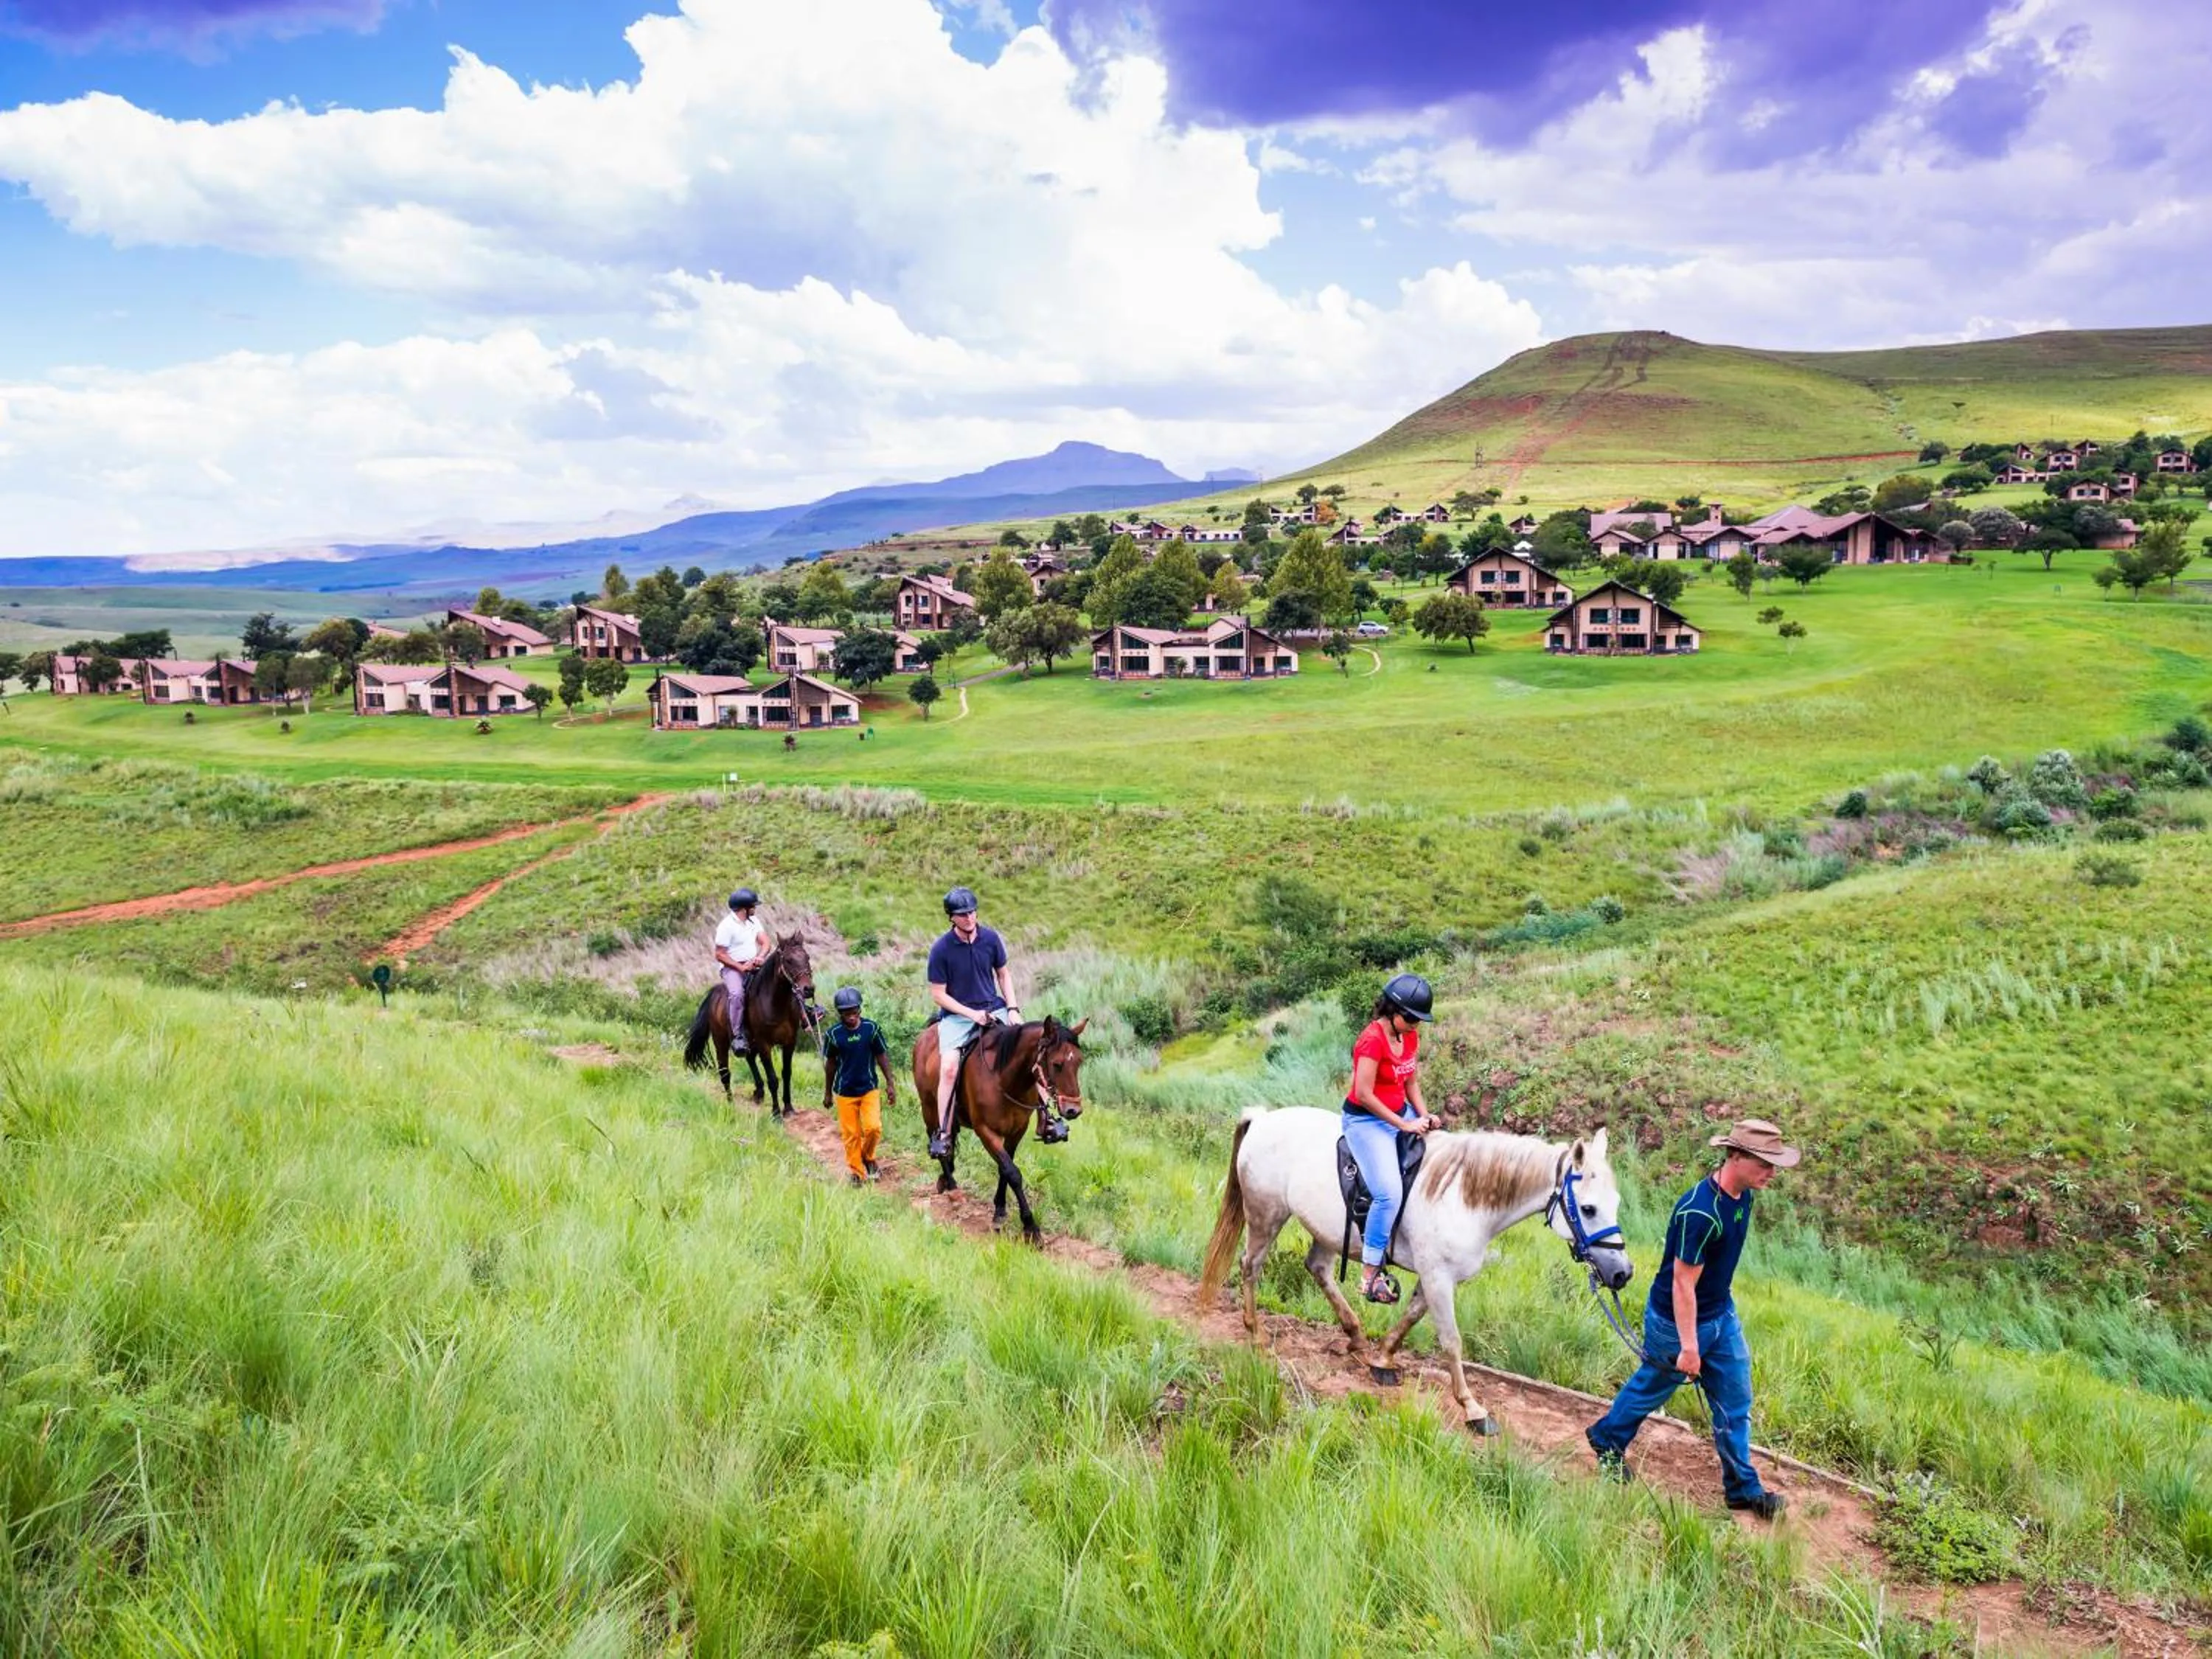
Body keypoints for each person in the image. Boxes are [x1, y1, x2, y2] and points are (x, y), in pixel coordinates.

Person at [1585, 1119, 1801, 1521]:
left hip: (1721, 1313)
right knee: (1653, 1386)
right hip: (1677, 1321)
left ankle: (1742, 1490)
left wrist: (1719, 1311)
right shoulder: (1699, 1212)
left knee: (1736, 1403)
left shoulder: (1744, 1196)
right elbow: (1683, 1285)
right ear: (1736, 1157)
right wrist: (1689, 1347)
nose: (1772, 1172)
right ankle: (1606, 1439)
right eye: (1765, 1163)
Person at [1342, 973, 1437, 1305]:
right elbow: (1365, 1094)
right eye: (1411, 1019)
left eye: (1418, 1020)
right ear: (1393, 1010)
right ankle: (1369, 1273)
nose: (1416, 1026)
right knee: (1389, 1193)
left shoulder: (1409, 1037)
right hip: (1367, 1121)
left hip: (1400, 1112)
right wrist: (1404, 1125)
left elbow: (1411, 1084)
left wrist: (1424, 1116)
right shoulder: (1371, 1040)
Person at [925, 886, 1020, 1158]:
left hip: (995, 1010)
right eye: (963, 914)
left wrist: (1012, 1008)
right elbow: (938, 995)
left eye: (972, 911)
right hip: (957, 1018)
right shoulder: (941, 949)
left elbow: (1003, 975)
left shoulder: (991, 939)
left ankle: (1049, 1118)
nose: (970, 917)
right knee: (949, 1069)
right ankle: (943, 1133)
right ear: (951, 917)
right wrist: (970, 1014)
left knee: (1029, 1045)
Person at [821, 987, 896, 1184]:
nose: (852, 1017)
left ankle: (868, 1157)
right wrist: (828, 1093)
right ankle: (857, 1173)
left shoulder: (871, 1029)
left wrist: (890, 1083)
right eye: (847, 1014)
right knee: (851, 1135)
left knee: (873, 1128)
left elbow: (882, 1056)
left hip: (869, 1089)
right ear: (840, 1014)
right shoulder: (833, 1035)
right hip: (845, 1092)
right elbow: (831, 1064)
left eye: (855, 1012)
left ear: (860, 1010)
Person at [712, 889, 774, 1054]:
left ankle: (806, 1015)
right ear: (744, 908)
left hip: (753, 963)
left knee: (779, 979)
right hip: (732, 968)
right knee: (737, 994)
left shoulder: (754, 921)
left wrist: (760, 957)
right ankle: (738, 1035)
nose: (755, 908)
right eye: (753, 906)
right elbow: (719, 954)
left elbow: (766, 942)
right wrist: (741, 968)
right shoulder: (726, 926)